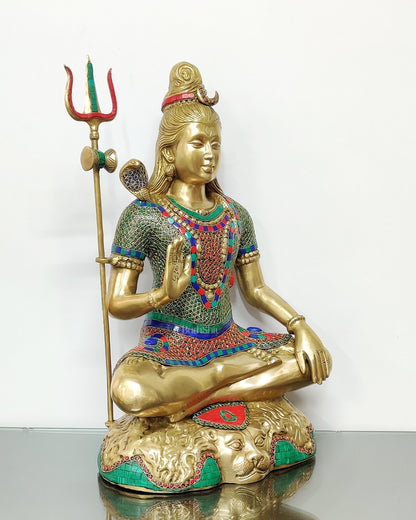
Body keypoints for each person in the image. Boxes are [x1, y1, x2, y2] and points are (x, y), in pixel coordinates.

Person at [108, 62, 331, 423]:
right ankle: (222, 376)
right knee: (129, 390)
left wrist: (299, 325)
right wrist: (161, 295)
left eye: (215, 144)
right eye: (198, 143)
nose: (210, 153)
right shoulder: (144, 215)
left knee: (312, 360)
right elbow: (116, 303)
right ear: (169, 151)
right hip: (169, 345)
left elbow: (255, 289)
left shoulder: (235, 215)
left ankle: (201, 396)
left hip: (228, 340)